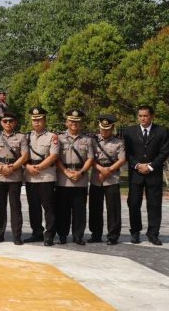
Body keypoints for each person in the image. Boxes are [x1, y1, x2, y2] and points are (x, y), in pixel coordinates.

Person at [123, 105, 169, 246]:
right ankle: (135, 232)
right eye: (140, 116)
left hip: (153, 174)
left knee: (154, 205)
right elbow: (127, 152)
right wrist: (137, 165)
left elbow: (164, 152)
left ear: (152, 116)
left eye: (146, 116)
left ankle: (153, 234)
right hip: (136, 174)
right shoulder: (129, 131)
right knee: (134, 204)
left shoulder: (162, 131)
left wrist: (150, 166)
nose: (143, 118)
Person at [55, 109, 95, 245]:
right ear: (66, 122)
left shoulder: (87, 140)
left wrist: (82, 172)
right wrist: (65, 171)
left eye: (77, 121)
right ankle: (62, 235)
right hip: (63, 179)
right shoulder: (59, 138)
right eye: (71, 121)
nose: (74, 124)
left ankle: (78, 236)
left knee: (79, 210)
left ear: (81, 123)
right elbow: (56, 158)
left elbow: (90, 158)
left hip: (80, 178)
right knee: (62, 209)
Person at [0, 111, 28, 244]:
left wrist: (12, 167)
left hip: (14, 175)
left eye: (10, 121)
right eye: (5, 121)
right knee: (0, 206)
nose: (8, 123)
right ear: (1, 123)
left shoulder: (21, 137)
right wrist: (1, 168)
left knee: (15, 206)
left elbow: (24, 155)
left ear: (15, 122)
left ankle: (17, 235)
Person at [24, 106, 60, 246]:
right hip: (30, 175)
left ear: (44, 120)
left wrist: (39, 167)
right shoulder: (26, 136)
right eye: (34, 120)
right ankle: (36, 233)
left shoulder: (52, 136)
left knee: (48, 206)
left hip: (46, 175)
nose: (36, 122)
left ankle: (49, 234)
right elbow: (22, 155)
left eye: (39, 119)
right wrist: (27, 166)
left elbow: (54, 155)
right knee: (33, 206)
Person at [89, 114, 126, 245]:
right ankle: (95, 234)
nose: (104, 131)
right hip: (96, 177)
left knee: (113, 209)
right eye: (102, 128)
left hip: (112, 178)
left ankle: (113, 235)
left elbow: (121, 160)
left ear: (112, 128)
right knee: (95, 208)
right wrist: (100, 169)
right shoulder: (92, 140)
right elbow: (90, 159)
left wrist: (107, 171)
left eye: (107, 129)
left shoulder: (119, 142)